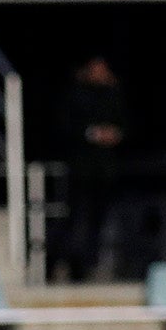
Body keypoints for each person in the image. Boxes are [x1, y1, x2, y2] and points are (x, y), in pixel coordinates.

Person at [57, 55, 126, 283]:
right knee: (75, 219)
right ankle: (67, 265)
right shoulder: (76, 94)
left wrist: (115, 134)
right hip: (80, 171)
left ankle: (90, 265)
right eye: (95, 69)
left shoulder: (114, 95)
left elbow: (126, 124)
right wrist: (92, 133)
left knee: (99, 221)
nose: (99, 73)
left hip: (105, 172)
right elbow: (66, 127)